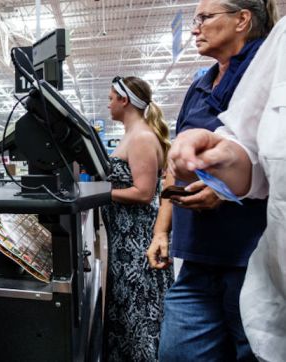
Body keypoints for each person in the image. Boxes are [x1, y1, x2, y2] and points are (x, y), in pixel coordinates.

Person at [145, 0, 278, 360]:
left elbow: (269, 157)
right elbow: (174, 166)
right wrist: (161, 231)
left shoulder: (269, 75)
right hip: (197, 258)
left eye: (205, 17)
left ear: (242, 20)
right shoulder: (201, 85)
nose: (194, 28)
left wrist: (224, 188)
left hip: (251, 260)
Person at [100, 76, 173, 361]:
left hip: (138, 244)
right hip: (124, 245)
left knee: (141, 318)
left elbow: (144, 192)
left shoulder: (142, 137)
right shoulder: (132, 135)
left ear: (124, 100)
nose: (108, 104)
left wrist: (102, 193)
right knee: (128, 318)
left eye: (110, 98)